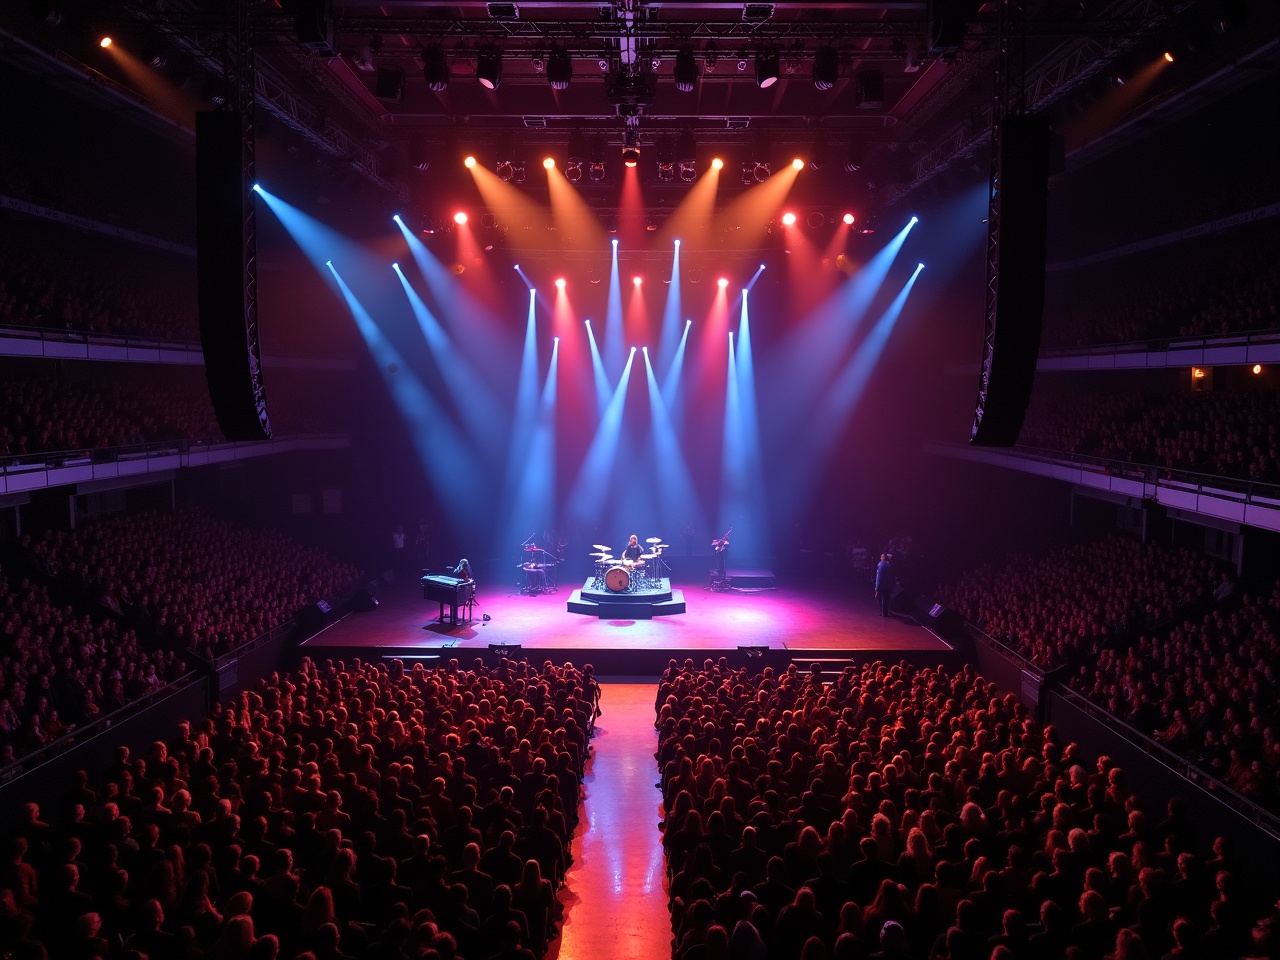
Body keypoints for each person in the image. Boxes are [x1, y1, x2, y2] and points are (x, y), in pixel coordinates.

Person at [875, 553, 894, 617]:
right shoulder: (889, 565)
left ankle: (882, 612)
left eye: (881, 556)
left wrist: (876, 587)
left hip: (880, 584)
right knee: (886, 599)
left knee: (881, 599)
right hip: (887, 585)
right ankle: (885, 612)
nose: (880, 558)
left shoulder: (880, 565)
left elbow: (878, 577)